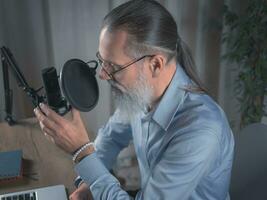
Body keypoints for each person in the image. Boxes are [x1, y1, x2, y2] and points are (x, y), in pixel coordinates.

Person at [34, 0, 234, 199]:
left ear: (155, 64)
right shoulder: (140, 91)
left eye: (113, 66)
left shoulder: (200, 132)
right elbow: (111, 137)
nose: (102, 75)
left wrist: (81, 151)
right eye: (102, 61)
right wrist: (88, 183)